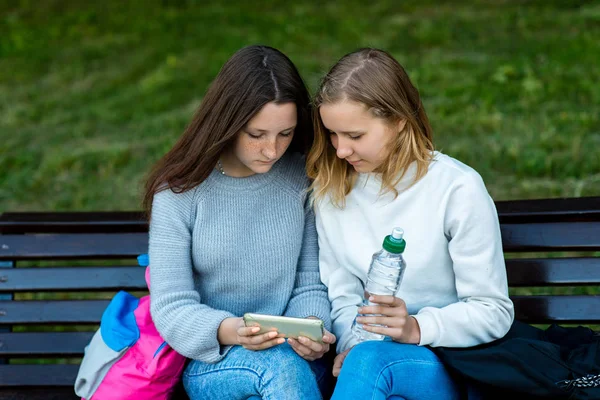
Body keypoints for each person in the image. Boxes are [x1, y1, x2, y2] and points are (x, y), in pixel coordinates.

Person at [306, 48, 515, 400]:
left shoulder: (456, 188)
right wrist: (353, 343)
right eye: (332, 135)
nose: (340, 150)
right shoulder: (332, 190)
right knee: (369, 363)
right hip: (371, 361)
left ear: (399, 120)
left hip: (450, 360)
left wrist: (415, 327)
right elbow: (343, 295)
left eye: (355, 136)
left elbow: (492, 311)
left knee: (373, 364)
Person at [143, 45, 335, 400]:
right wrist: (232, 331)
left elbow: (310, 282)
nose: (272, 150)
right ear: (227, 124)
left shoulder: (301, 176)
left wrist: (311, 329)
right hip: (216, 362)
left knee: (286, 368)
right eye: (256, 134)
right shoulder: (180, 193)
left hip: (297, 360)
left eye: (285, 133)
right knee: (279, 369)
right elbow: (171, 305)